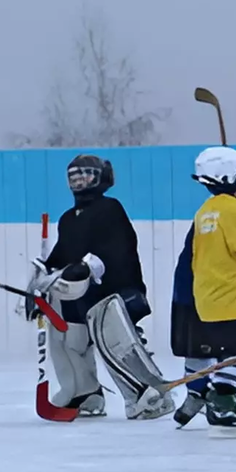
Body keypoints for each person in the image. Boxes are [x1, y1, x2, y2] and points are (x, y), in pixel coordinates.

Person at [23, 154, 173, 420]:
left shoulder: (110, 208)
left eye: (86, 175)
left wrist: (88, 264)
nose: (80, 181)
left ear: (101, 177)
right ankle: (84, 393)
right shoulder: (69, 218)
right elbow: (61, 255)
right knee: (68, 341)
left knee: (117, 345)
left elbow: (117, 249)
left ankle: (149, 395)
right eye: (74, 176)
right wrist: (39, 283)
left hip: (113, 292)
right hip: (79, 294)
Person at [171, 164, 236, 429]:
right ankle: (222, 405)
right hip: (232, 297)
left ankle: (196, 395)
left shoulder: (207, 209)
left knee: (205, 347)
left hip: (202, 293)